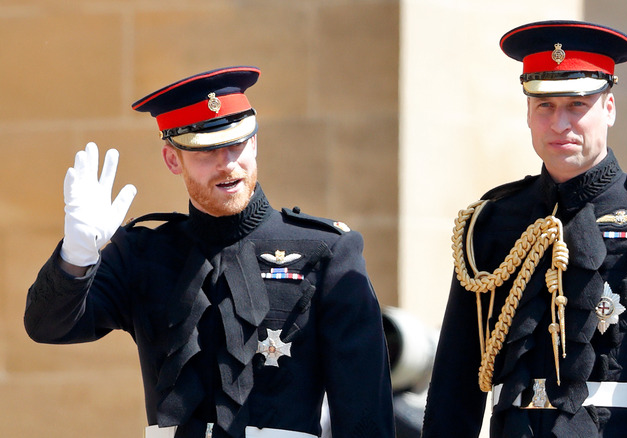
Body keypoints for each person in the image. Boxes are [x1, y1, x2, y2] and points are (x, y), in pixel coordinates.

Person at [24, 66, 396, 438]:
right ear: (173, 160)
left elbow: (366, 416)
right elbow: (48, 326)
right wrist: (77, 256)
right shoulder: (142, 253)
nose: (227, 163)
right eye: (207, 152)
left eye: (236, 143)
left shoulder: (326, 252)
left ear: (254, 142)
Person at [421, 21, 627, 437]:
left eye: (576, 105)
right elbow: (455, 382)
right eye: (545, 106)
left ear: (609, 108)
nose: (559, 124)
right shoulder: (491, 222)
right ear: (528, 113)